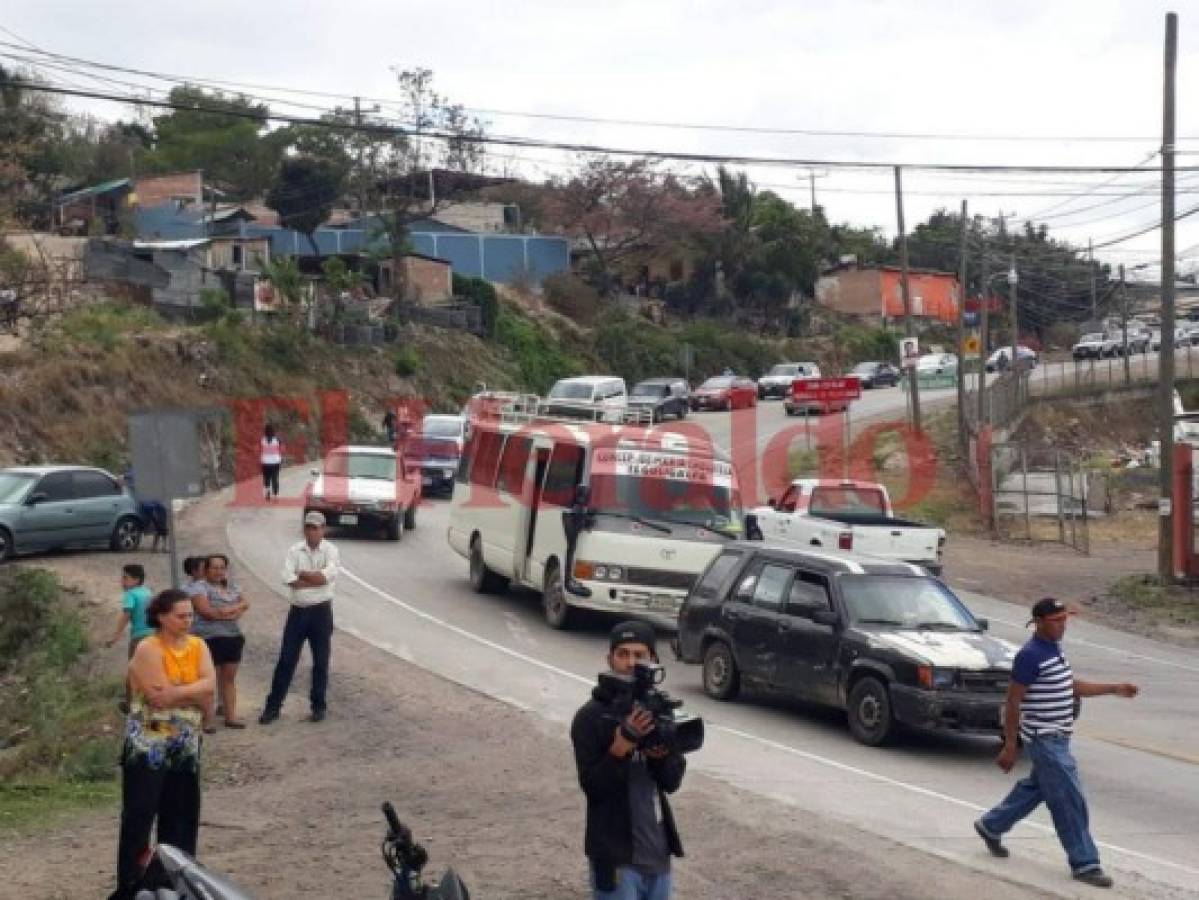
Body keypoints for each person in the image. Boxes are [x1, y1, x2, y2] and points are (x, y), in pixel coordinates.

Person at [973, 598, 1139, 889]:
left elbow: (1070, 685)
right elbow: (1013, 700)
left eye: (1065, 619)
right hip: (1044, 739)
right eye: (1056, 620)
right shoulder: (1030, 655)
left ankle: (992, 825)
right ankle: (1085, 862)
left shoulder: (1053, 650)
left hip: (1059, 738)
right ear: (1038, 622)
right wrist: (1010, 744)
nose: (1063, 625)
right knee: (1069, 800)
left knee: (1037, 788)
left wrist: (1113, 688)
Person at [111, 589, 215, 900]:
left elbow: (210, 688)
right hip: (149, 744)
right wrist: (195, 692)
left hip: (185, 744)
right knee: (141, 813)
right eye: (181, 615)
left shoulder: (199, 646)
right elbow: (158, 695)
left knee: (182, 813)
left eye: (190, 615)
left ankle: (175, 880)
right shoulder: (148, 648)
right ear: (161, 616)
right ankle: (131, 884)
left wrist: (181, 691)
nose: (187, 621)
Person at [571, 621, 686, 900]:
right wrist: (619, 748)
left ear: (653, 661)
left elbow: (671, 782)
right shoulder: (591, 717)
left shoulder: (658, 710)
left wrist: (660, 758)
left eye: (639, 655)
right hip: (615, 858)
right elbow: (593, 788)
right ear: (610, 659)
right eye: (622, 654)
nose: (630, 663)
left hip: (657, 855)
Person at [259, 511, 339, 725]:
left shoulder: (331, 551)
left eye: (316, 527)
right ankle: (273, 707)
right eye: (309, 527)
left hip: (321, 612)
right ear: (304, 529)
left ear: (323, 529)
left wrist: (302, 574)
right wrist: (313, 578)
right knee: (286, 660)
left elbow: (325, 577)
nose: (312, 531)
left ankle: (318, 706)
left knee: (321, 661)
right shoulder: (294, 550)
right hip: (298, 611)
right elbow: (287, 578)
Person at [190, 553, 249, 731]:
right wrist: (232, 611)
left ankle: (231, 717)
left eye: (222, 567)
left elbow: (245, 604)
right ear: (206, 570)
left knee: (229, 679)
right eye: (214, 567)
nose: (218, 571)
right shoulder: (198, 587)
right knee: (209, 681)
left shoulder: (232, 586)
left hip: (232, 637)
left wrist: (226, 611)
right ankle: (208, 720)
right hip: (209, 639)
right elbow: (206, 612)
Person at [260, 423, 283, 502]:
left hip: (265, 462)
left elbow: (261, 449)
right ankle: (276, 496)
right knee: (275, 478)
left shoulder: (262, 440)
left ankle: (267, 494)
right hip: (275, 461)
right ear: (274, 431)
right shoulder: (277, 439)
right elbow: (280, 449)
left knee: (266, 478)